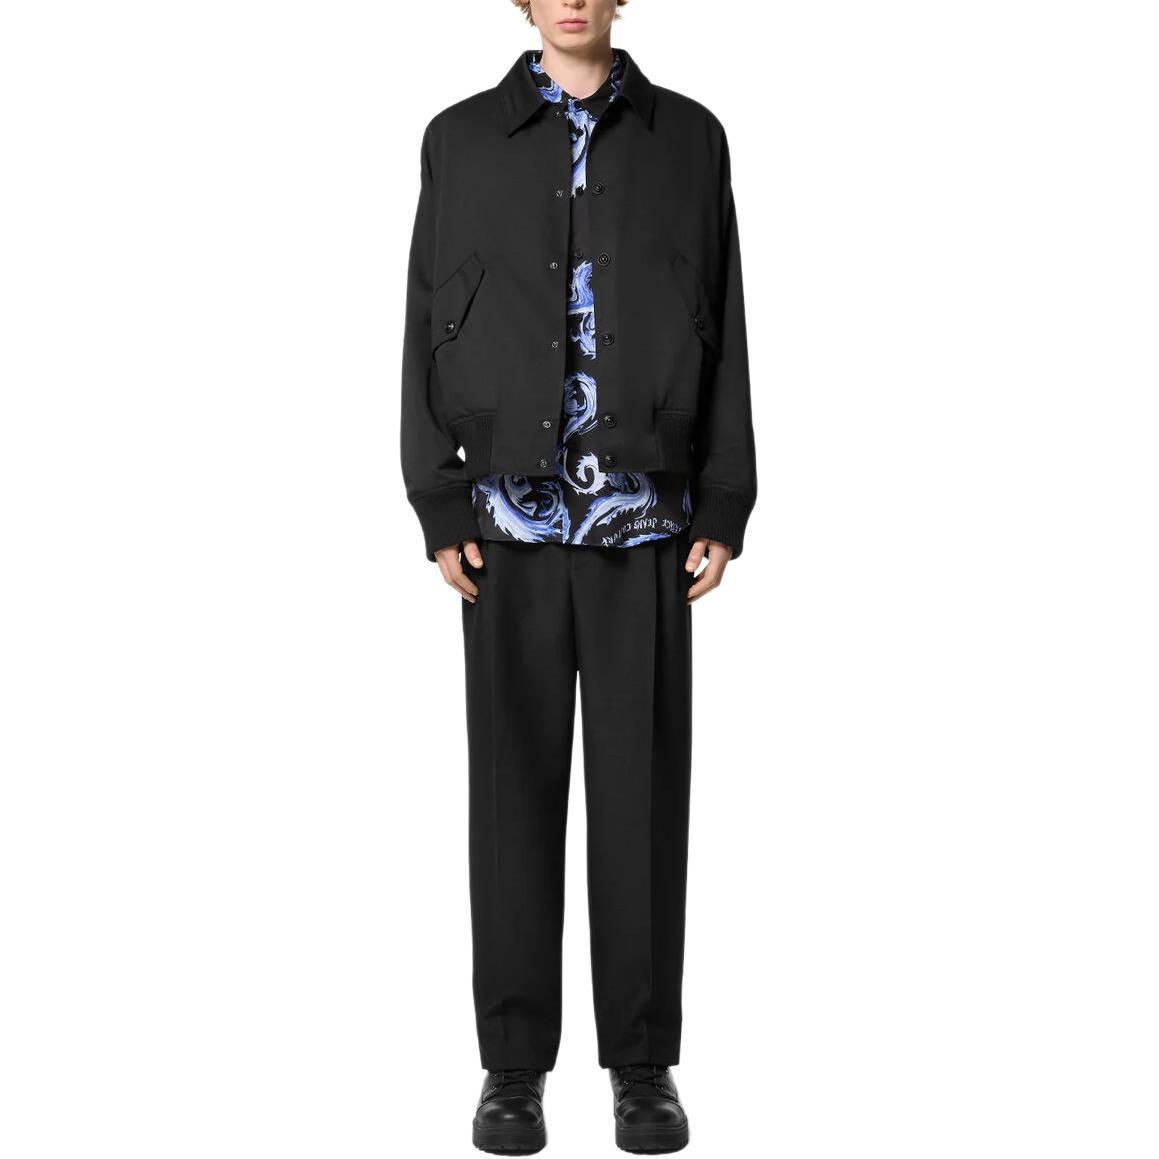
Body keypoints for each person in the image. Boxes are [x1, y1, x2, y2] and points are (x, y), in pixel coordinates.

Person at [400, 1, 757, 1151]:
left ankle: (642, 1064)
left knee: (640, 799)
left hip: (645, 521)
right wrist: (437, 498)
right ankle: (512, 1068)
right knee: (511, 800)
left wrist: (723, 498)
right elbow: (424, 318)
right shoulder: (460, 138)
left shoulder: (688, 138)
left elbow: (725, 319)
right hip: (505, 522)